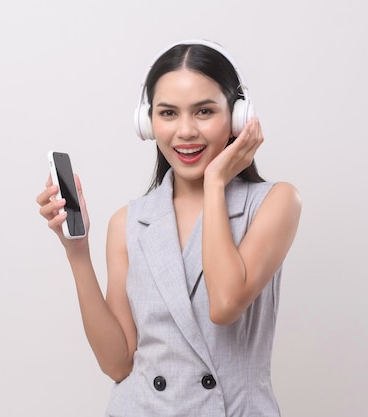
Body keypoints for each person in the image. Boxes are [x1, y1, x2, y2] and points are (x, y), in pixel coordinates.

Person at [36, 39, 302, 417]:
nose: (186, 131)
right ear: (148, 124)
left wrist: (215, 183)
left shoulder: (274, 203)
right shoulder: (129, 222)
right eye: (168, 113)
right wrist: (77, 253)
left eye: (204, 111)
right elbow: (118, 363)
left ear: (239, 118)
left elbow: (225, 304)